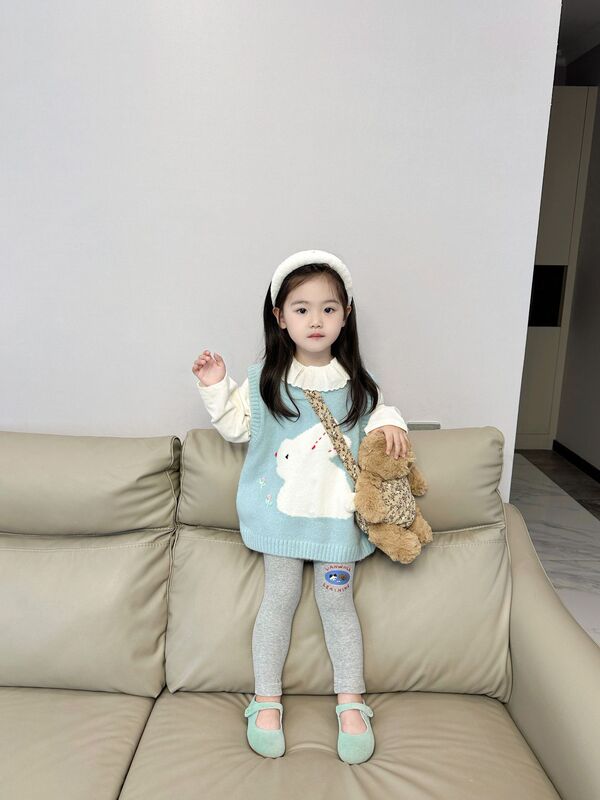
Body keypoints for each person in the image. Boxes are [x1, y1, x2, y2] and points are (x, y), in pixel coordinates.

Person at [191, 249, 410, 764]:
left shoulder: (359, 386)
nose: (316, 320)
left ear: (345, 316)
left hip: (336, 523)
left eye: (328, 309)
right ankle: (266, 701)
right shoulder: (265, 380)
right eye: (302, 308)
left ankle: (351, 703)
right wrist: (215, 385)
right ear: (280, 317)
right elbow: (237, 429)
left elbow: (380, 419)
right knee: (279, 599)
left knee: (338, 606)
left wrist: (391, 422)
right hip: (281, 520)